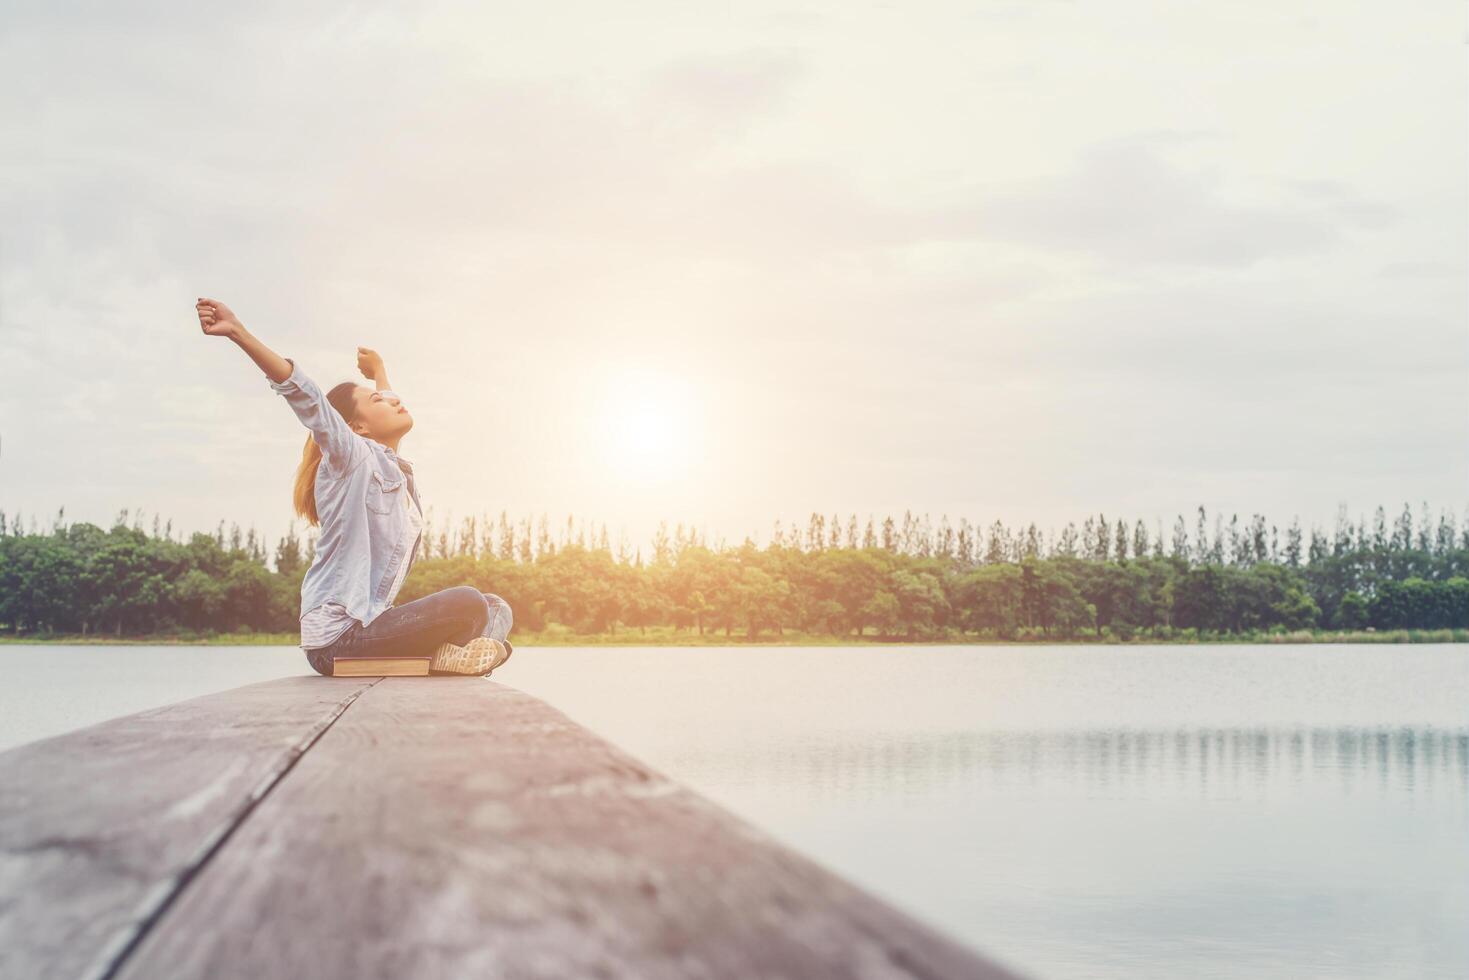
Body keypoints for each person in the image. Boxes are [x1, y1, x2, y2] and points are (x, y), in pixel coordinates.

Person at [194, 297, 514, 676]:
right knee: (468, 602)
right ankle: (440, 658)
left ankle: (448, 658)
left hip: (370, 627)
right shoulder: (351, 457)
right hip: (336, 640)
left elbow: (387, 411)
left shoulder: (390, 466)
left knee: (496, 607)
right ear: (356, 428)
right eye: (377, 401)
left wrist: (379, 372)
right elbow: (306, 396)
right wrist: (238, 333)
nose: (394, 402)